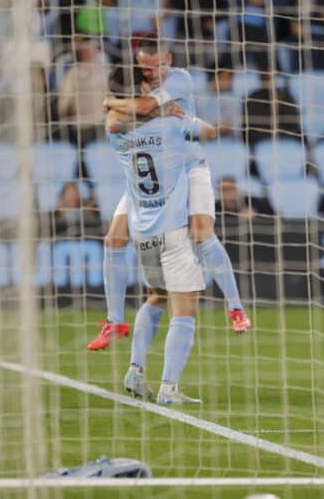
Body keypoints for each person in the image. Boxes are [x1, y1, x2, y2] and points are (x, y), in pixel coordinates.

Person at [88, 33, 252, 351]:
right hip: (153, 172)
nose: (152, 74)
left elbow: (144, 106)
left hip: (190, 169)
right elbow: (113, 123)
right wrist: (128, 107)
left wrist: (112, 101)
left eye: (158, 67)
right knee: (113, 239)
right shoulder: (135, 80)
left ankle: (236, 308)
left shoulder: (181, 79)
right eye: (146, 69)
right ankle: (114, 321)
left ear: (170, 62)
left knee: (202, 233)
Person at [106, 63, 216, 404]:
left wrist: (116, 103)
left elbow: (121, 116)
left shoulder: (115, 131)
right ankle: (169, 388)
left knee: (156, 297)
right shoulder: (171, 125)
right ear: (141, 91)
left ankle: (136, 371)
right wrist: (166, 108)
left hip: (143, 233)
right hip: (173, 230)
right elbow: (209, 132)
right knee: (185, 308)